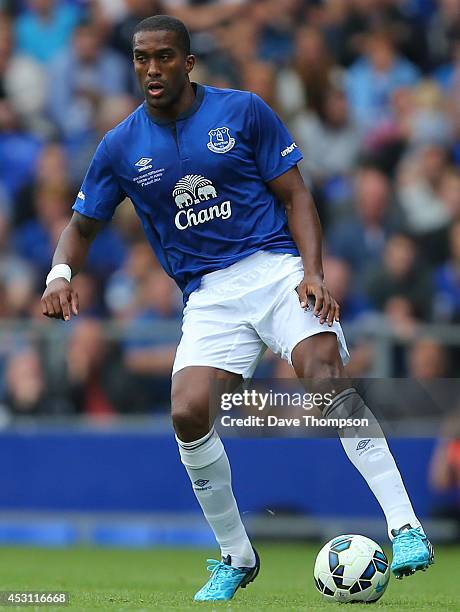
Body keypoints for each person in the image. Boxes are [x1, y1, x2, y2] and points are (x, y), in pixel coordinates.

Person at [41, 15, 433, 602]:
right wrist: (60, 274)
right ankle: (236, 556)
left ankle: (406, 528)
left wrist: (313, 273)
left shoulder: (243, 110)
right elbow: (80, 225)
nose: (152, 69)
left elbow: (297, 194)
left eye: (165, 57)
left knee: (325, 379)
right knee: (187, 411)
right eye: (142, 58)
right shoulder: (120, 145)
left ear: (189, 62)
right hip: (208, 295)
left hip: (276, 270)